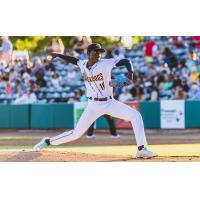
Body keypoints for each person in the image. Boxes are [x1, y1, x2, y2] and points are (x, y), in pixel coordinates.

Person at [33, 43, 157, 158]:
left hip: (109, 103)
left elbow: (126, 61)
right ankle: (47, 141)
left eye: (100, 52)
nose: (98, 53)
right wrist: (58, 55)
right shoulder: (82, 64)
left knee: (136, 116)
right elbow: (73, 60)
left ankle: (141, 149)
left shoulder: (105, 63)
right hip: (92, 105)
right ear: (88, 53)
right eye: (96, 51)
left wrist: (130, 72)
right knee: (76, 134)